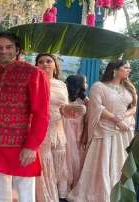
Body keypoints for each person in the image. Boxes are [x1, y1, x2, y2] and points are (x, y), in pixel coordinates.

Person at [0, 32, 50, 202]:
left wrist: (32, 146)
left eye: (8, 47)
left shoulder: (33, 73)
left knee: (26, 194)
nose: (3, 51)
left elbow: (41, 113)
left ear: (17, 49)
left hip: (21, 145)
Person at [68, 60, 137, 202]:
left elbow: (134, 107)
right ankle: (103, 194)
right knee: (103, 163)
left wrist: (124, 117)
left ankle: (122, 193)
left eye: (129, 68)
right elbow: (97, 107)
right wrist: (117, 120)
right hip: (105, 130)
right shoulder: (99, 86)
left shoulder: (129, 87)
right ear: (114, 70)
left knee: (123, 162)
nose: (129, 70)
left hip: (125, 130)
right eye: (125, 67)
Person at [34, 53, 86, 201]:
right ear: (36, 65)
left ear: (55, 65)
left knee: (59, 166)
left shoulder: (62, 84)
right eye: (41, 62)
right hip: (41, 131)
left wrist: (72, 110)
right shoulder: (34, 82)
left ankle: (58, 196)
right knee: (45, 166)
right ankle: (45, 198)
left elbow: (63, 108)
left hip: (59, 130)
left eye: (49, 61)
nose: (45, 64)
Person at [64, 74, 89, 190]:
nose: (87, 84)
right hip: (65, 131)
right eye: (85, 82)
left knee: (77, 159)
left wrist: (85, 134)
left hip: (79, 132)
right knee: (67, 158)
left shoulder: (85, 100)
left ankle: (74, 186)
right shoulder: (65, 98)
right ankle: (64, 186)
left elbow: (88, 119)